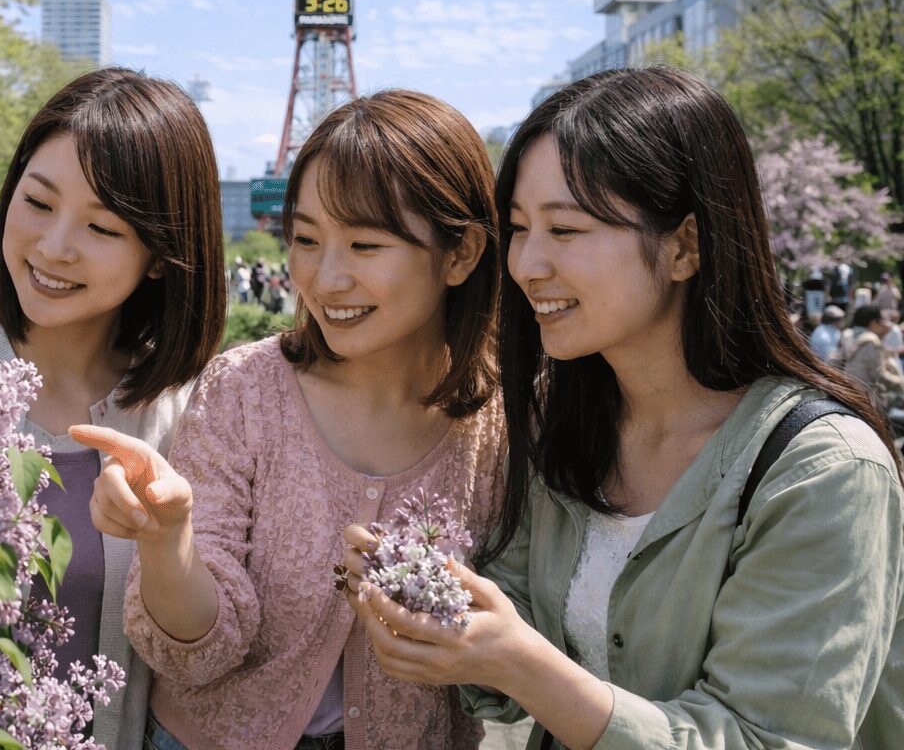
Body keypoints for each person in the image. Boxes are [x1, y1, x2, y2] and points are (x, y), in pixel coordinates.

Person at [343, 66, 903, 749]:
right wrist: (427, 598)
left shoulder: (823, 472)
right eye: (519, 228)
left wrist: (519, 662)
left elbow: (767, 737)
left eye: (566, 229)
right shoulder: (560, 420)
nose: (527, 265)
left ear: (685, 246)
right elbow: (513, 630)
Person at [73, 89, 507, 750]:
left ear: (461, 253)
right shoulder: (245, 391)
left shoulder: (497, 424)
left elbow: (514, 648)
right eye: (305, 239)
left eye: (365, 244)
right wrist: (168, 542)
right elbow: (194, 654)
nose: (325, 278)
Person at [0, 67, 228, 750]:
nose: (54, 246)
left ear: (160, 257)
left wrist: (167, 538)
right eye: (38, 201)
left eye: (101, 227)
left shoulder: (187, 414)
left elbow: (205, 653)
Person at [846, 305, 904, 411]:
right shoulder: (871, 341)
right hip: (865, 398)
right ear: (874, 323)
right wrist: (900, 381)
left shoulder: (847, 335)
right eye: (881, 322)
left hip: (847, 391)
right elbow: (879, 375)